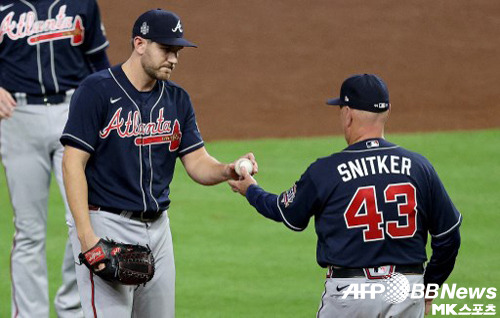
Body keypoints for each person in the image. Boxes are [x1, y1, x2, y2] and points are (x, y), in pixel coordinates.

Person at [60, 8, 257, 317]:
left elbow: (197, 163)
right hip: (106, 225)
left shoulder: (177, 99)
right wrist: (87, 239)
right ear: (140, 44)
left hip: (158, 231)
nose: (174, 58)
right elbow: (72, 163)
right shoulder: (96, 91)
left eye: (177, 51)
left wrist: (226, 170)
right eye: (166, 49)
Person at [228, 74, 462, 317]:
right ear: (388, 110)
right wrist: (429, 288)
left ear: (348, 113)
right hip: (406, 289)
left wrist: (251, 190)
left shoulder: (326, 170)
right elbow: (448, 236)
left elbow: (286, 212)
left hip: (351, 294)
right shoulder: (419, 167)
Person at [0, 1, 110, 317]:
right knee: (28, 230)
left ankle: (72, 308)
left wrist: (112, 105)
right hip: (17, 116)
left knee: (83, 220)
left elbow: (97, 59)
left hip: (74, 112)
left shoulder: (82, 3)